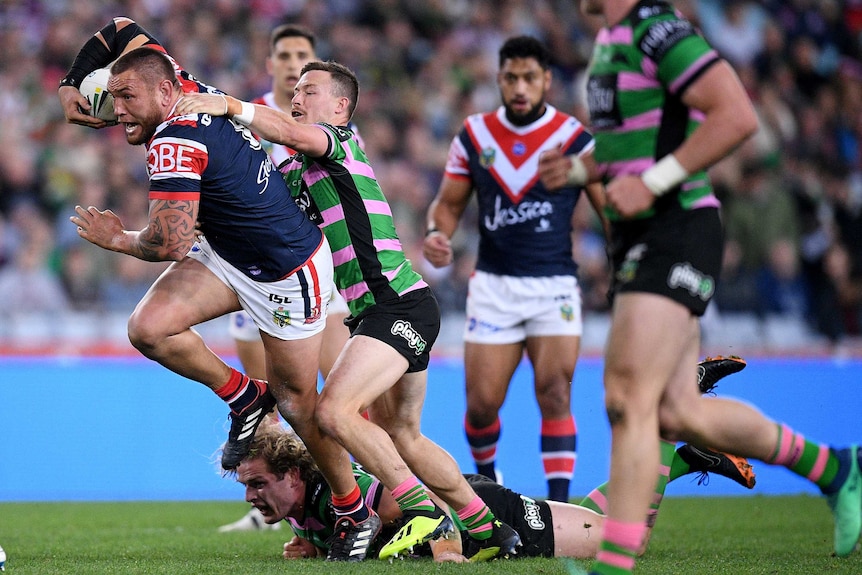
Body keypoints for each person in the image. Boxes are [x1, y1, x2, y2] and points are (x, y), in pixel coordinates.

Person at [539, 2, 862, 571]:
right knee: (676, 410)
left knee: (626, 398)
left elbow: (736, 115)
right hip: (642, 238)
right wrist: (582, 172)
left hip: (676, 228)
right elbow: (628, 151)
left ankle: (612, 562)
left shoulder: (657, 30)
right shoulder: (610, 41)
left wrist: (656, 182)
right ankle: (837, 469)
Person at [59, 18, 379, 562]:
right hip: (231, 251)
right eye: (112, 97)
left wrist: (118, 239)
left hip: (286, 272)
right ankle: (242, 393)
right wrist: (72, 83)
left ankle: (352, 510)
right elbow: (120, 28)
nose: (117, 110)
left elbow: (168, 243)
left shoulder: (175, 141)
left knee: (300, 407)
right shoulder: (173, 81)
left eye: (127, 96)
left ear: (164, 92)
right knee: (149, 329)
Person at [176, 61, 523, 561]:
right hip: (383, 311)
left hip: (395, 304)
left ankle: (421, 510)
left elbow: (290, 131)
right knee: (402, 434)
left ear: (340, 106)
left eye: (309, 90)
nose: (297, 97)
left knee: (334, 413)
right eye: (294, 90)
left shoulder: (339, 140)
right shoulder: (293, 170)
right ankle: (488, 530)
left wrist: (227, 105)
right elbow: (258, 214)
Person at [423, 35, 602, 503]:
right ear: (499, 79)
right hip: (494, 287)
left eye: (529, 78)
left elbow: (610, 209)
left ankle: (559, 505)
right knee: (481, 407)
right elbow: (447, 204)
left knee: (555, 395)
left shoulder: (574, 139)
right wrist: (436, 234)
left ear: (546, 80)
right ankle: (490, 491)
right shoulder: (475, 135)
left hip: (555, 285)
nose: (520, 87)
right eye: (510, 78)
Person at [231, 419, 754, 562]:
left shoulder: (341, 492)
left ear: (294, 473)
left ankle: (665, 434)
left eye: (257, 483)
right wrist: (313, 543)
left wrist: (445, 548)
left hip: (483, 514)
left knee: (626, 540)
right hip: (477, 502)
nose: (251, 497)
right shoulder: (302, 505)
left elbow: (423, 502)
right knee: (596, 514)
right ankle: (685, 459)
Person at [218, 22, 353, 535]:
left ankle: (348, 493)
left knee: (337, 399)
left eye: (304, 54)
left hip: (318, 275)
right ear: (272, 63)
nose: (294, 61)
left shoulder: (325, 126)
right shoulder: (242, 121)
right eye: (286, 54)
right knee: (270, 407)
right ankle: (269, 509)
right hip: (250, 277)